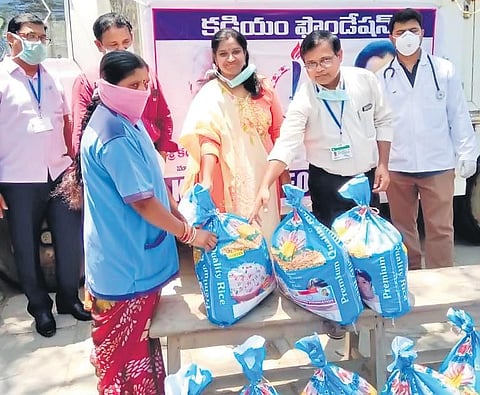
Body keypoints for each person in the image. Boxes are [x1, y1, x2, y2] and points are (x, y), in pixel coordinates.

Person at [79, 50, 217, 394]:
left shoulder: (128, 118)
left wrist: (175, 209)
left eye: (145, 84)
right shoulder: (114, 134)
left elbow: (151, 179)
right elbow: (141, 201)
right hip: (124, 262)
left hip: (128, 254)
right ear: (107, 86)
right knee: (124, 359)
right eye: (132, 85)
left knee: (141, 344)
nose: (141, 91)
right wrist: (188, 234)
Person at [0, 13, 91, 338]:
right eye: (30, 36)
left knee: (71, 241)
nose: (37, 43)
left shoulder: (51, 77)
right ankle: (39, 308)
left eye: (42, 37)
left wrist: (72, 166)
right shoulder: (2, 78)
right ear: (12, 39)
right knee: (25, 247)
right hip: (18, 178)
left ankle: (69, 299)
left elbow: (65, 122)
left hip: (59, 172)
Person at [249, 30, 393, 229]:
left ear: (339, 56)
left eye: (325, 60)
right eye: (311, 64)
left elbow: (383, 121)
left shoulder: (365, 80)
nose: (319, 69)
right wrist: (265, 185)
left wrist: (383, 164)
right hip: (327, 182)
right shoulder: (304, 97)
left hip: (365, 179)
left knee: (367, 244)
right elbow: (287, 143)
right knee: (331, 243)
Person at [377, 8, 479, 270]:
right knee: (402, 229)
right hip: (399, 166)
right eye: (400, 32)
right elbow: (378, 124)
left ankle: (442, 281)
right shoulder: (381, 77)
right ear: (391, 38)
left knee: (441, 229)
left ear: (422, 33)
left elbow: (457, 114)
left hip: (438, 163)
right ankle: (411, 277)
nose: (407, 37)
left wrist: (468, 153)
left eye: (412, 31)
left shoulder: (444, 70)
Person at [179, 28, 290, 239]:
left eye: (236, 51)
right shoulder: (210, 93)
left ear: (245, 53)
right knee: (234, 241)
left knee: (266, 232)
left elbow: (277, 133)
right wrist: (207, 181)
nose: (231, 58)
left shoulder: (264, 87)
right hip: (226, 176)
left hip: (264, 176)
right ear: (215, 58)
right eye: (223, 54)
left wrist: (284, 178)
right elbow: (208, 139)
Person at [71, 12, 177, 158]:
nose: (121, 49)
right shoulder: (87, 81)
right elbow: (79, 130)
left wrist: (162, 153)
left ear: (132, 37)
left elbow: (163, 115)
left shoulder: (147, 73)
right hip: (113, 156)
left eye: (126, 42)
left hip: (150, 151)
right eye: (113, 45)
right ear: (99, 45)